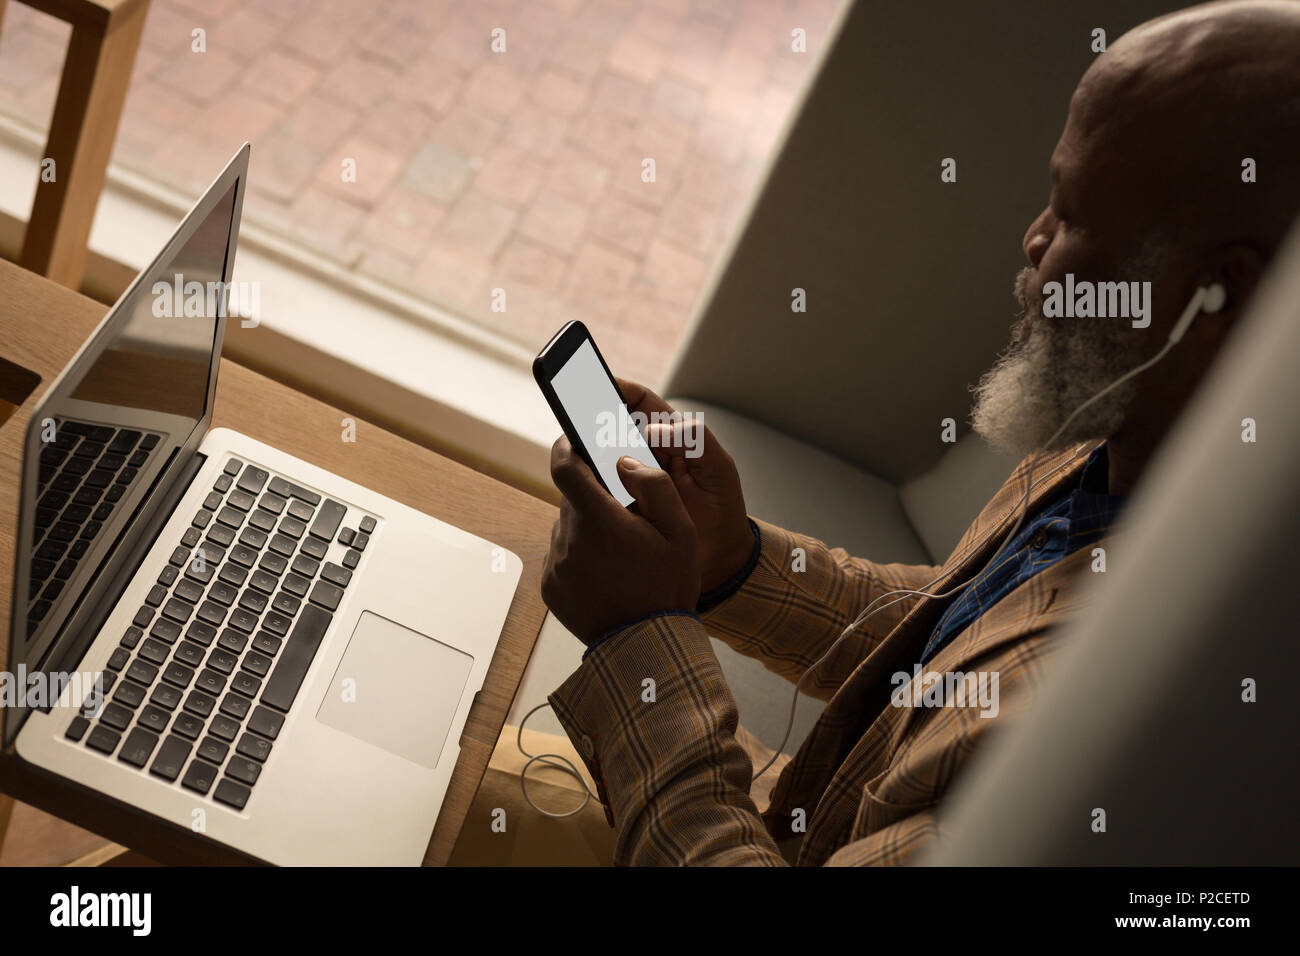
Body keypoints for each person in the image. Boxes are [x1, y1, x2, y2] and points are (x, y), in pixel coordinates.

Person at [539, 0, 1300, 865]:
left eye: (1072, 210)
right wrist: (733, 563)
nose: (1033, 237)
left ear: (1220, 297)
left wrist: (640, 639)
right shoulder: (1121, 441)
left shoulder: (1116, 726)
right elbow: (946, 646)